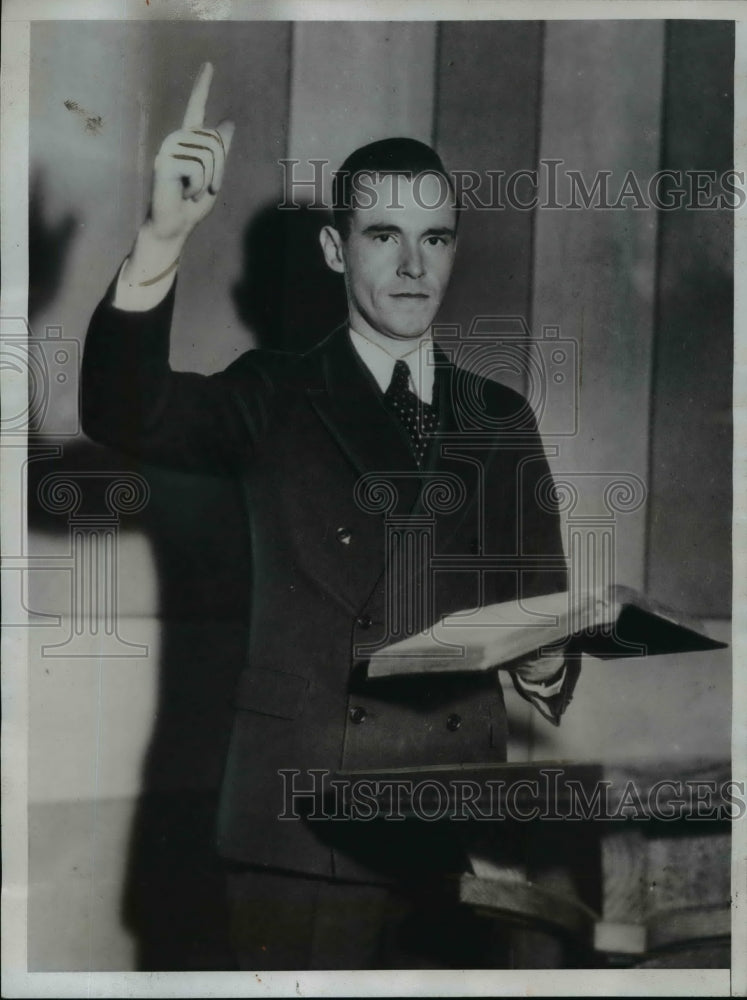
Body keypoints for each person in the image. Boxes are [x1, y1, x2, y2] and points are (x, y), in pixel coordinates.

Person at [81, 63, 581, 969]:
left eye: (435, 238)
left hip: (459, 826)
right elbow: (127, 409)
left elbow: (540, 602)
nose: (412, 264)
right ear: (334, 250)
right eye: (383, 234)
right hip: (303, 826)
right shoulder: (273, 392)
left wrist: (549, 661)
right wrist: (162, 237)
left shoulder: (500, 414)